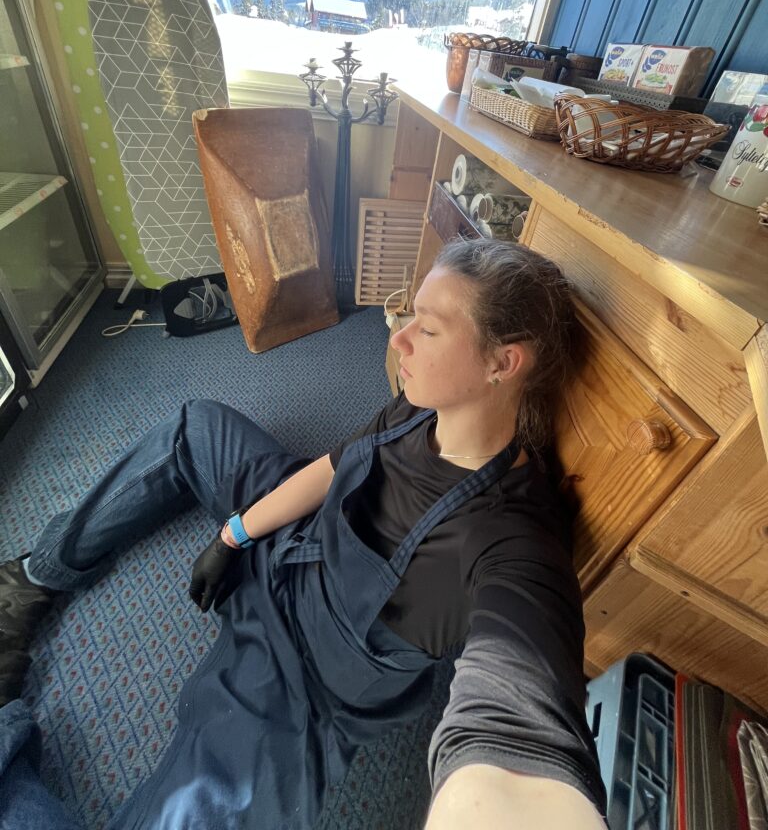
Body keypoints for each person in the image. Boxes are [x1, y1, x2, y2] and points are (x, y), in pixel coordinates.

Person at [0, 239, 607, 829]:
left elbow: (518, 721)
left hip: (300, 680)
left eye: (427, 329)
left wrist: (504, 789)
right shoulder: (422, 406)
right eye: (410, 316)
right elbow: (336, 464)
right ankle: (31, 576)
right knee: (198, 426)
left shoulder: (515, 541)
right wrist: (234, 535)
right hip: (295, 539)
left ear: (503, 362)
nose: (398, 338)